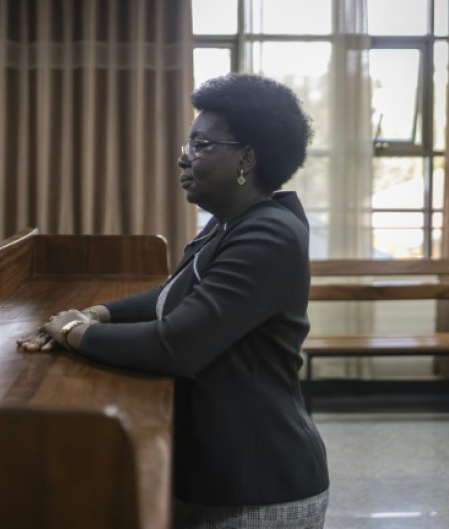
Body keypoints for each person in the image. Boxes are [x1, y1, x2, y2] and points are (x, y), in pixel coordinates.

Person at [18, 73, 329, 529]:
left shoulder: (268, 234)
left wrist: (74, 333)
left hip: (256, 485)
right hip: (218, 471)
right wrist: (96, 313)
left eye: (202, 146)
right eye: (189, 145)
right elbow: (172, 295)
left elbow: (177, 346)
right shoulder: (229, 223)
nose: (184, 160)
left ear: (247, 157)